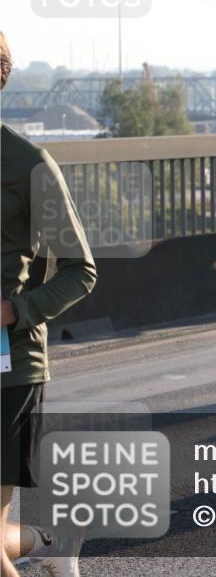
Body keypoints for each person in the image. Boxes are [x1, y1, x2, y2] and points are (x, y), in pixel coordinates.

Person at [2, 30, 98, 577]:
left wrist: (15, 311)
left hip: (8, 367)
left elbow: (81, 269)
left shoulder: (28, 164)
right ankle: (51, 540)